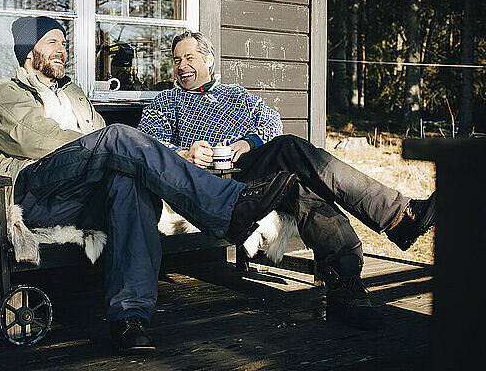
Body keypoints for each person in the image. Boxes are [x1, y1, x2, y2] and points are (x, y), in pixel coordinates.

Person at [0, 16, 295, 353]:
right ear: (28, 51)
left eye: (64, 43)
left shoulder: (74, 94)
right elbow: (38, 141)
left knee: (130, 185)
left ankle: (129, 319)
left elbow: (101, 146)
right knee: (116, 137)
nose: (62, 50)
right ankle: (228, 206)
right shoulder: (3, 93)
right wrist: (104, 144)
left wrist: (106, 147)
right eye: (52, 42)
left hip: (80, 198)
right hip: (31, 192)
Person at [138, 31, 436, 331]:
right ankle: (393, 226)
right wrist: (183, 154)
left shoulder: (236, 96)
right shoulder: (165, 101)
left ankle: (350, 282)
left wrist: (249, 142)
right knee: (297, 177)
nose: (182, 65)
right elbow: (147, 146)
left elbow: (270, 120)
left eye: (189, 58)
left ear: (209, 59)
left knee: (289, 152)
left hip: (246, 168)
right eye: (177, 60)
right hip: (201, 181)